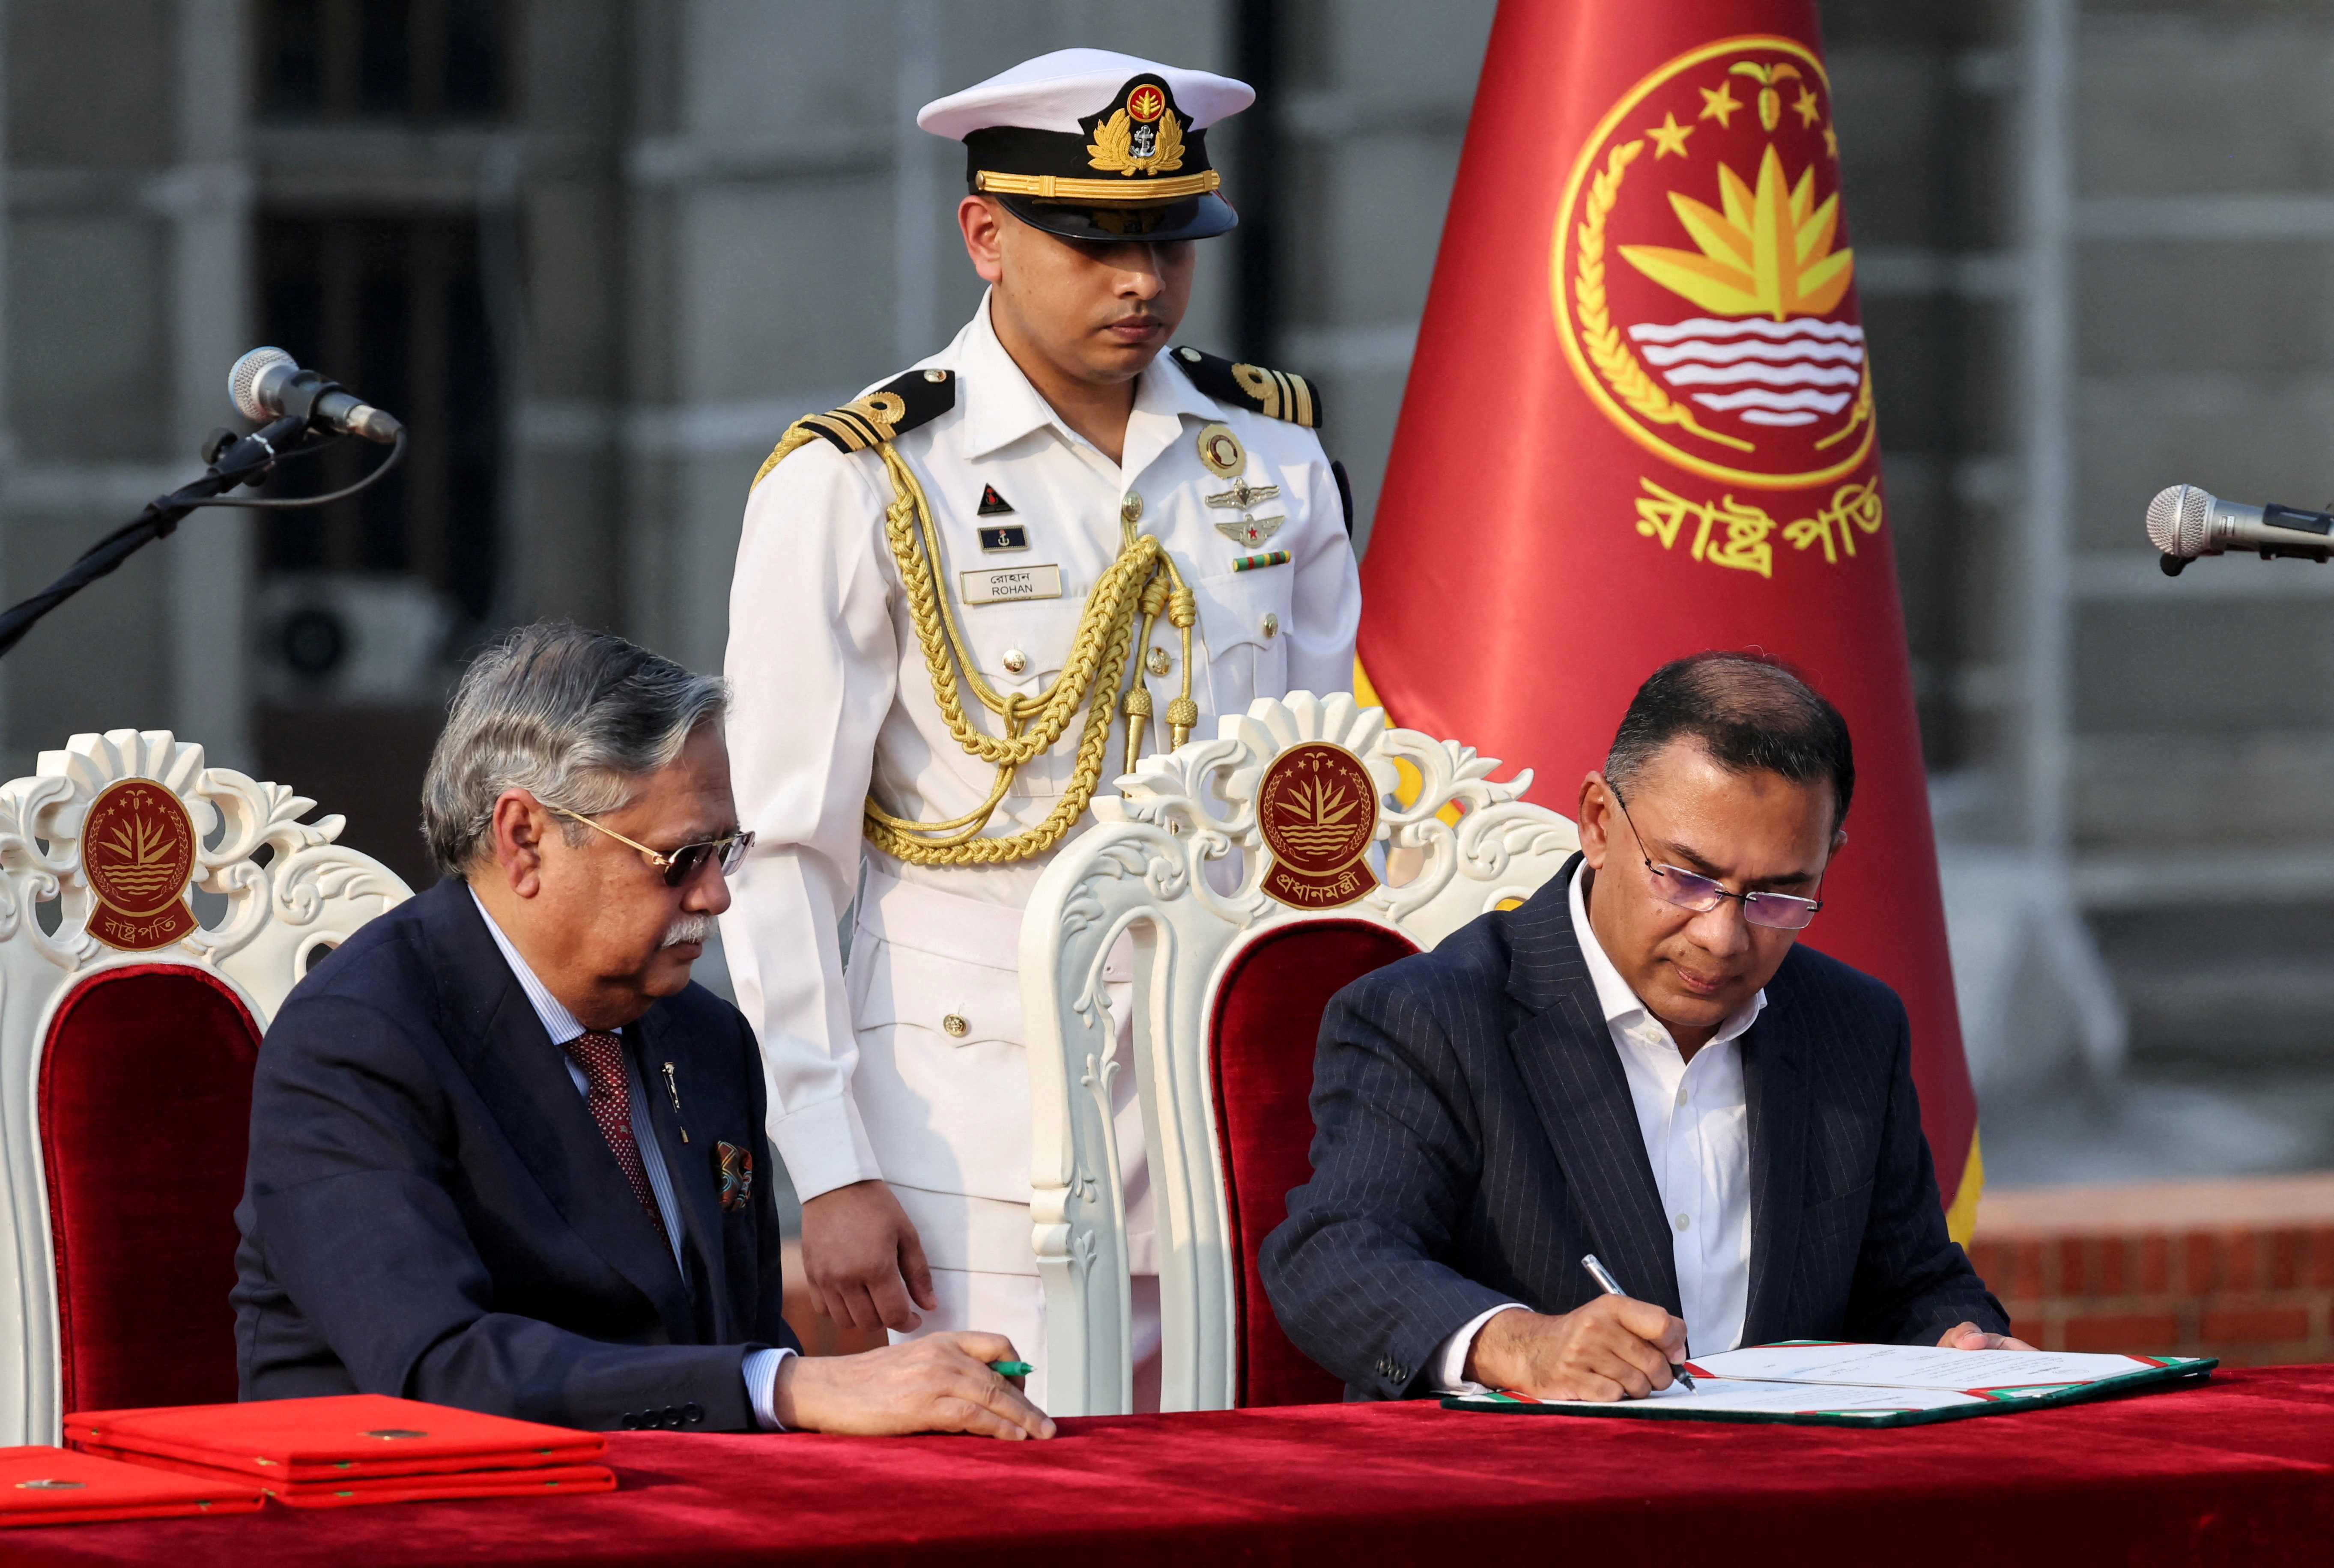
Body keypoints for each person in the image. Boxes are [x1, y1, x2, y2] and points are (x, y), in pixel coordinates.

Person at [720, 48, 1361, 1406]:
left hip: (1227, 1102)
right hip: (970, 1119)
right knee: (1005, 1466)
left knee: (1239, 1476)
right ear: (986, 236)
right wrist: (828, 1161)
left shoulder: (1276, 454)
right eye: (1095, 243)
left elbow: (1317, 799)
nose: (1143, 282)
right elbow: (782, 851)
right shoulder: (863, 477)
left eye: (1171, 241)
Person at [233, 622, 1054, 1439]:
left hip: (680, 1490)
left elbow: (737, 1342)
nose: (715, 896)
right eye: (679, 858)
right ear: (525, 840)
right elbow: (442, 1368)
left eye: (726, 851)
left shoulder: (706, 1037)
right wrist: (791, 1387)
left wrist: (883, 1401)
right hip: (416, 1498)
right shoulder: (356, 1040)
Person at [1260, 653, 2026, 1402]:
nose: (1721, 937)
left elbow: (1911, 1285)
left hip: (1785, 1477)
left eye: (1775, 896)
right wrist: (1519, 1345)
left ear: (1828, 860)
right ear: (1597, 822)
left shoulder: (1853, 1025)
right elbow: (1334, 1254)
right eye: (1687, 878)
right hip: (1530, 1477)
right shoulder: (1432, 1016)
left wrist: (1960, 1343)